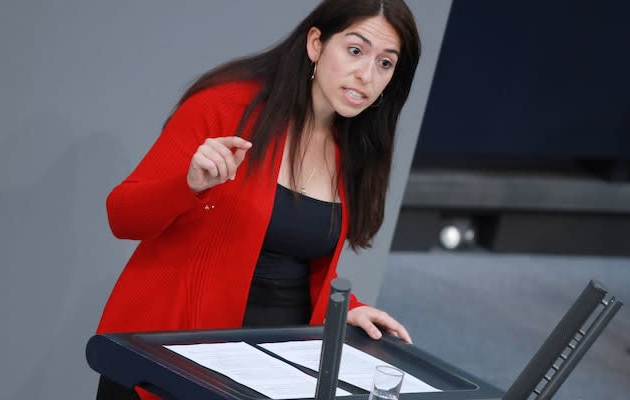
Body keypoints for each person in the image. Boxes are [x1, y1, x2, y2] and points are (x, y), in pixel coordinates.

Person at [94, 0, 421, 399]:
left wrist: (345, 307)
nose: (366, 75)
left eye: (385, 64)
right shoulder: (225, 107)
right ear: (316, 44)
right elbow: (122, 217)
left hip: (269, 370)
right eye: (355, 51)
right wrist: (188, 184)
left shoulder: (354, 148)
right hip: (171, 357)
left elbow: (296, 261)